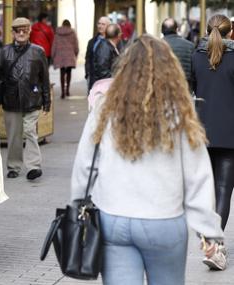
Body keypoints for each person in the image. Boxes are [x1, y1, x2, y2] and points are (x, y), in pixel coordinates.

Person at [72, 34, 226, 284]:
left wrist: (77, 204)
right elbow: (197, 176)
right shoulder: (179, 112)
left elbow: (85, 165)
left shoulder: (104, 108)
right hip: (164, 219)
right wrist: (208, 232)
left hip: (114, 217)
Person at [0, 17, 50, 181]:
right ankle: (14, 166)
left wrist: (47, 102)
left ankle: (34, 166)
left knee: (30, 132)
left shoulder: (38, 51)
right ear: (12, 32)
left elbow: (44, 78)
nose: (21, 33)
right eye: (18, 30)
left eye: (25, 30)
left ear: (30, 31)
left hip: (32, 100)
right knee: (14, 135)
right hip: (11, 99)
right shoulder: (4, 51)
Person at [192, 15, 234, 239]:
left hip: (202, 131)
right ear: (231, 32)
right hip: (230, 133)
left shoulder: (197, 56)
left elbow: (193, 89)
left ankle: (207, 234)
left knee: (205, 189)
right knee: (224, 190)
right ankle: (213, 241)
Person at [162, 18, 194, 86]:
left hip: (164, 87)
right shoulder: (190, 46)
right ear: (177, 30)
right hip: (185, 87)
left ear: (162, 31)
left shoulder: (156, 45)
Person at [51, 19, 79, 99]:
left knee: (62, 73)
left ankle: (62, 92)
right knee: (69, 73)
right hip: (70, 55)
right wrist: (76, 53)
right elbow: (76, 44)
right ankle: (67, 90)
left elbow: (54, 44)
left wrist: (53, 55)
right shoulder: (72, 33)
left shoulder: (57, 33)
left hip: (60, 56)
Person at [90, 24, 120, 90]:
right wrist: (116, 78)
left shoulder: (110, 46)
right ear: (118, 35)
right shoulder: (104, 47)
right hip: (105, 87)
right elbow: (102, 70)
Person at [85, 16, 111, 91]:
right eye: (99, 23)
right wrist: (87, 74)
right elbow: (88, 58)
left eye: (103, 24)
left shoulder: (113, 41)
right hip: (93, 79)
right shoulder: (92, 42)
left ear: (108, 26)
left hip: (107, 81)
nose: (100, 26)